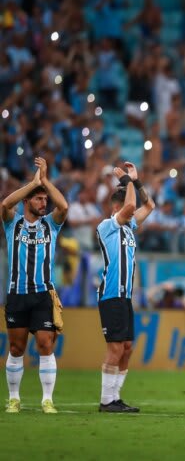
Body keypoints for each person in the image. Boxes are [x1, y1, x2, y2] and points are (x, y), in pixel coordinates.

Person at [3, 157, 68, 414]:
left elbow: (63, 205)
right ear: (27, 201)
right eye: (39, 199)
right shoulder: (12, 223)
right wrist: (33, 183)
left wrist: (45, 181)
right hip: (17, 295)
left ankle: (47, 399)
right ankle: (14, 398)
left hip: (43, 295)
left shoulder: (50, 225)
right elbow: (5, 203)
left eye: (44, 199)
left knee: (45, 344)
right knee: (16, 348)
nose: (44, 203)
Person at [96, 162, 155, 413]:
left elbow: (149, 206)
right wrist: (128, 181)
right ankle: (106, 400)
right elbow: (132, 206)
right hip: (111, 294)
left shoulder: (129, 226)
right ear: (117, 208)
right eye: (127, 210)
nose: (132, 214)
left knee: (127, 348)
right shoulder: (108, 226)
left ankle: (115, 397)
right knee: (116, 347)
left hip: (125, 296)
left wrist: (137, 182)